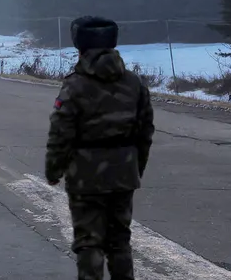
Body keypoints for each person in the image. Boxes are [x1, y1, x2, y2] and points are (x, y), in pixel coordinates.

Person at [45, 16, 154, 280]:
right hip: (124, 174)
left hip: (85, 177)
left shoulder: (75, 85)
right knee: (120, 241)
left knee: (89, 242)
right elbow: (145, 131)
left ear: (79, 45)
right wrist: (135, 166)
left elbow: (61, 132)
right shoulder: (134, 83)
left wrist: (54, 169)